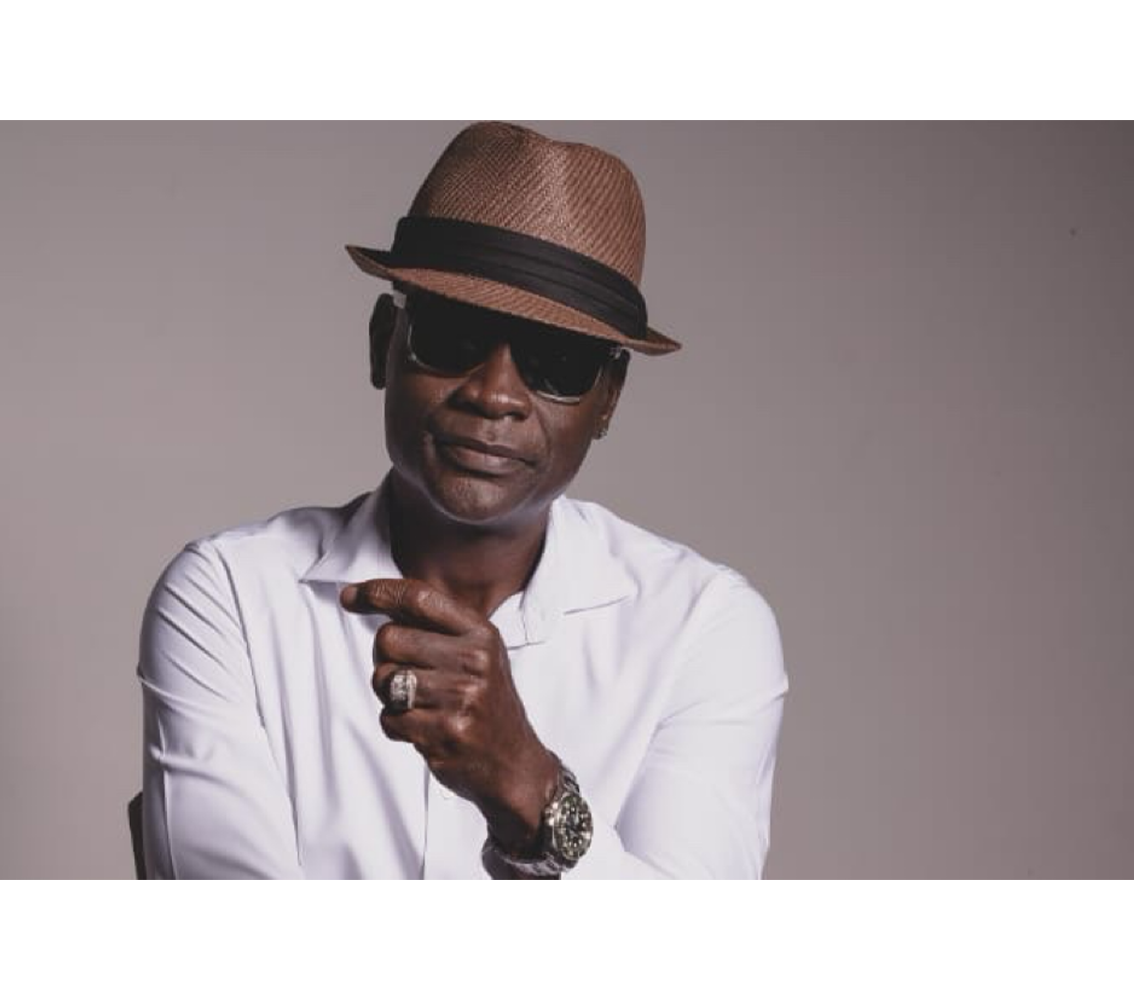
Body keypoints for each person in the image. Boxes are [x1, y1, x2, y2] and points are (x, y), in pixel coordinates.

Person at [136, 121, 788, 878]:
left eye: (556, 361)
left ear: (608, 398)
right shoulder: (233, 598)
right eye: (452, 334)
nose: (494, 393)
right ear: (383, 343)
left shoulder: (703, 628)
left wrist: (526, 785)